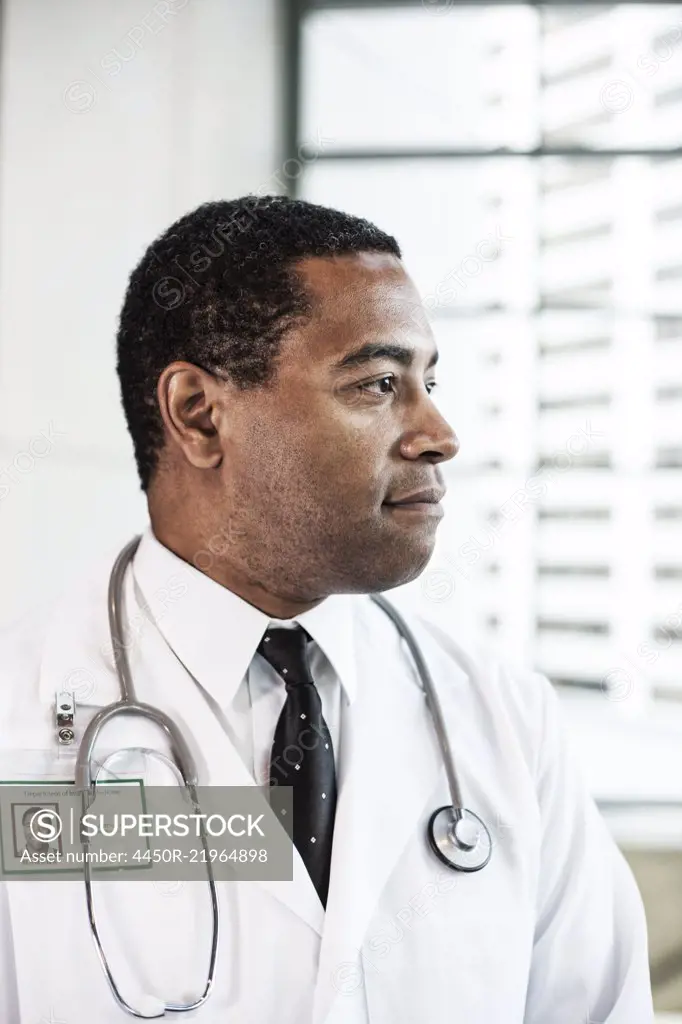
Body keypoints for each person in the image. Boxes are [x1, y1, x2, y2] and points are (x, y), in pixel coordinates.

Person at [0, 195, 653, 1022]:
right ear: (201, 415)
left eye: (429, 381)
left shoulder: (504, 722)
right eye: (379, 384)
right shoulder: (18, 716)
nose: (439, 432)